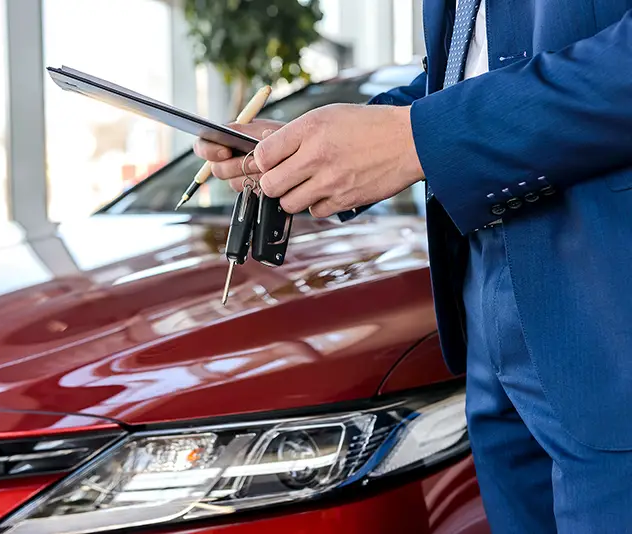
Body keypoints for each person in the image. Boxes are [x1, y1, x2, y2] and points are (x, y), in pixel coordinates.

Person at [194, 1, 632, 532]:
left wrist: (419, 140)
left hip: (610, 302)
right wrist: (311, 148)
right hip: (485, 307)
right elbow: (471, 70)